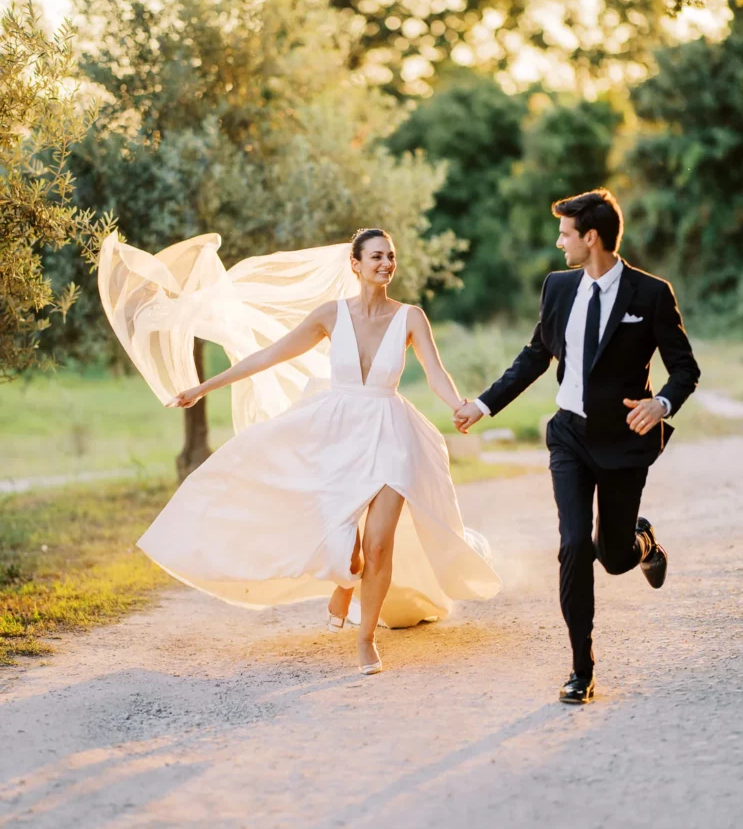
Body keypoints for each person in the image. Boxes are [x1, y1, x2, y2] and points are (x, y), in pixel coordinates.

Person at [100, 227, 500, 676]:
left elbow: (435, 372)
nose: (386, 264)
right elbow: (269, 356)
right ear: (355, 264)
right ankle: (345, 584)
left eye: (390, 256)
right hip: (338, 434)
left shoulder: (411, 317)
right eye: (376, 256)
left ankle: (366, 638)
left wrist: (458, 404)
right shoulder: (331, 315)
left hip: (390, 433)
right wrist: (203, 387)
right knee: (347, 550)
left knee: (379, 542)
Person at [453, 189, 700, 704]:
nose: (558, 241)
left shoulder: (650, 294)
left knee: (613, 557)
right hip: (569, 436)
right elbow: (535, 354)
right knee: (573, 546)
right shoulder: (559, 287)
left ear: (591, 237)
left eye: (565, 233)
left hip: (624, 441)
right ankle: (581, 668)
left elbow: (685, 368)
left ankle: (641, 542)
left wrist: (662, 404)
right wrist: (483, 404)